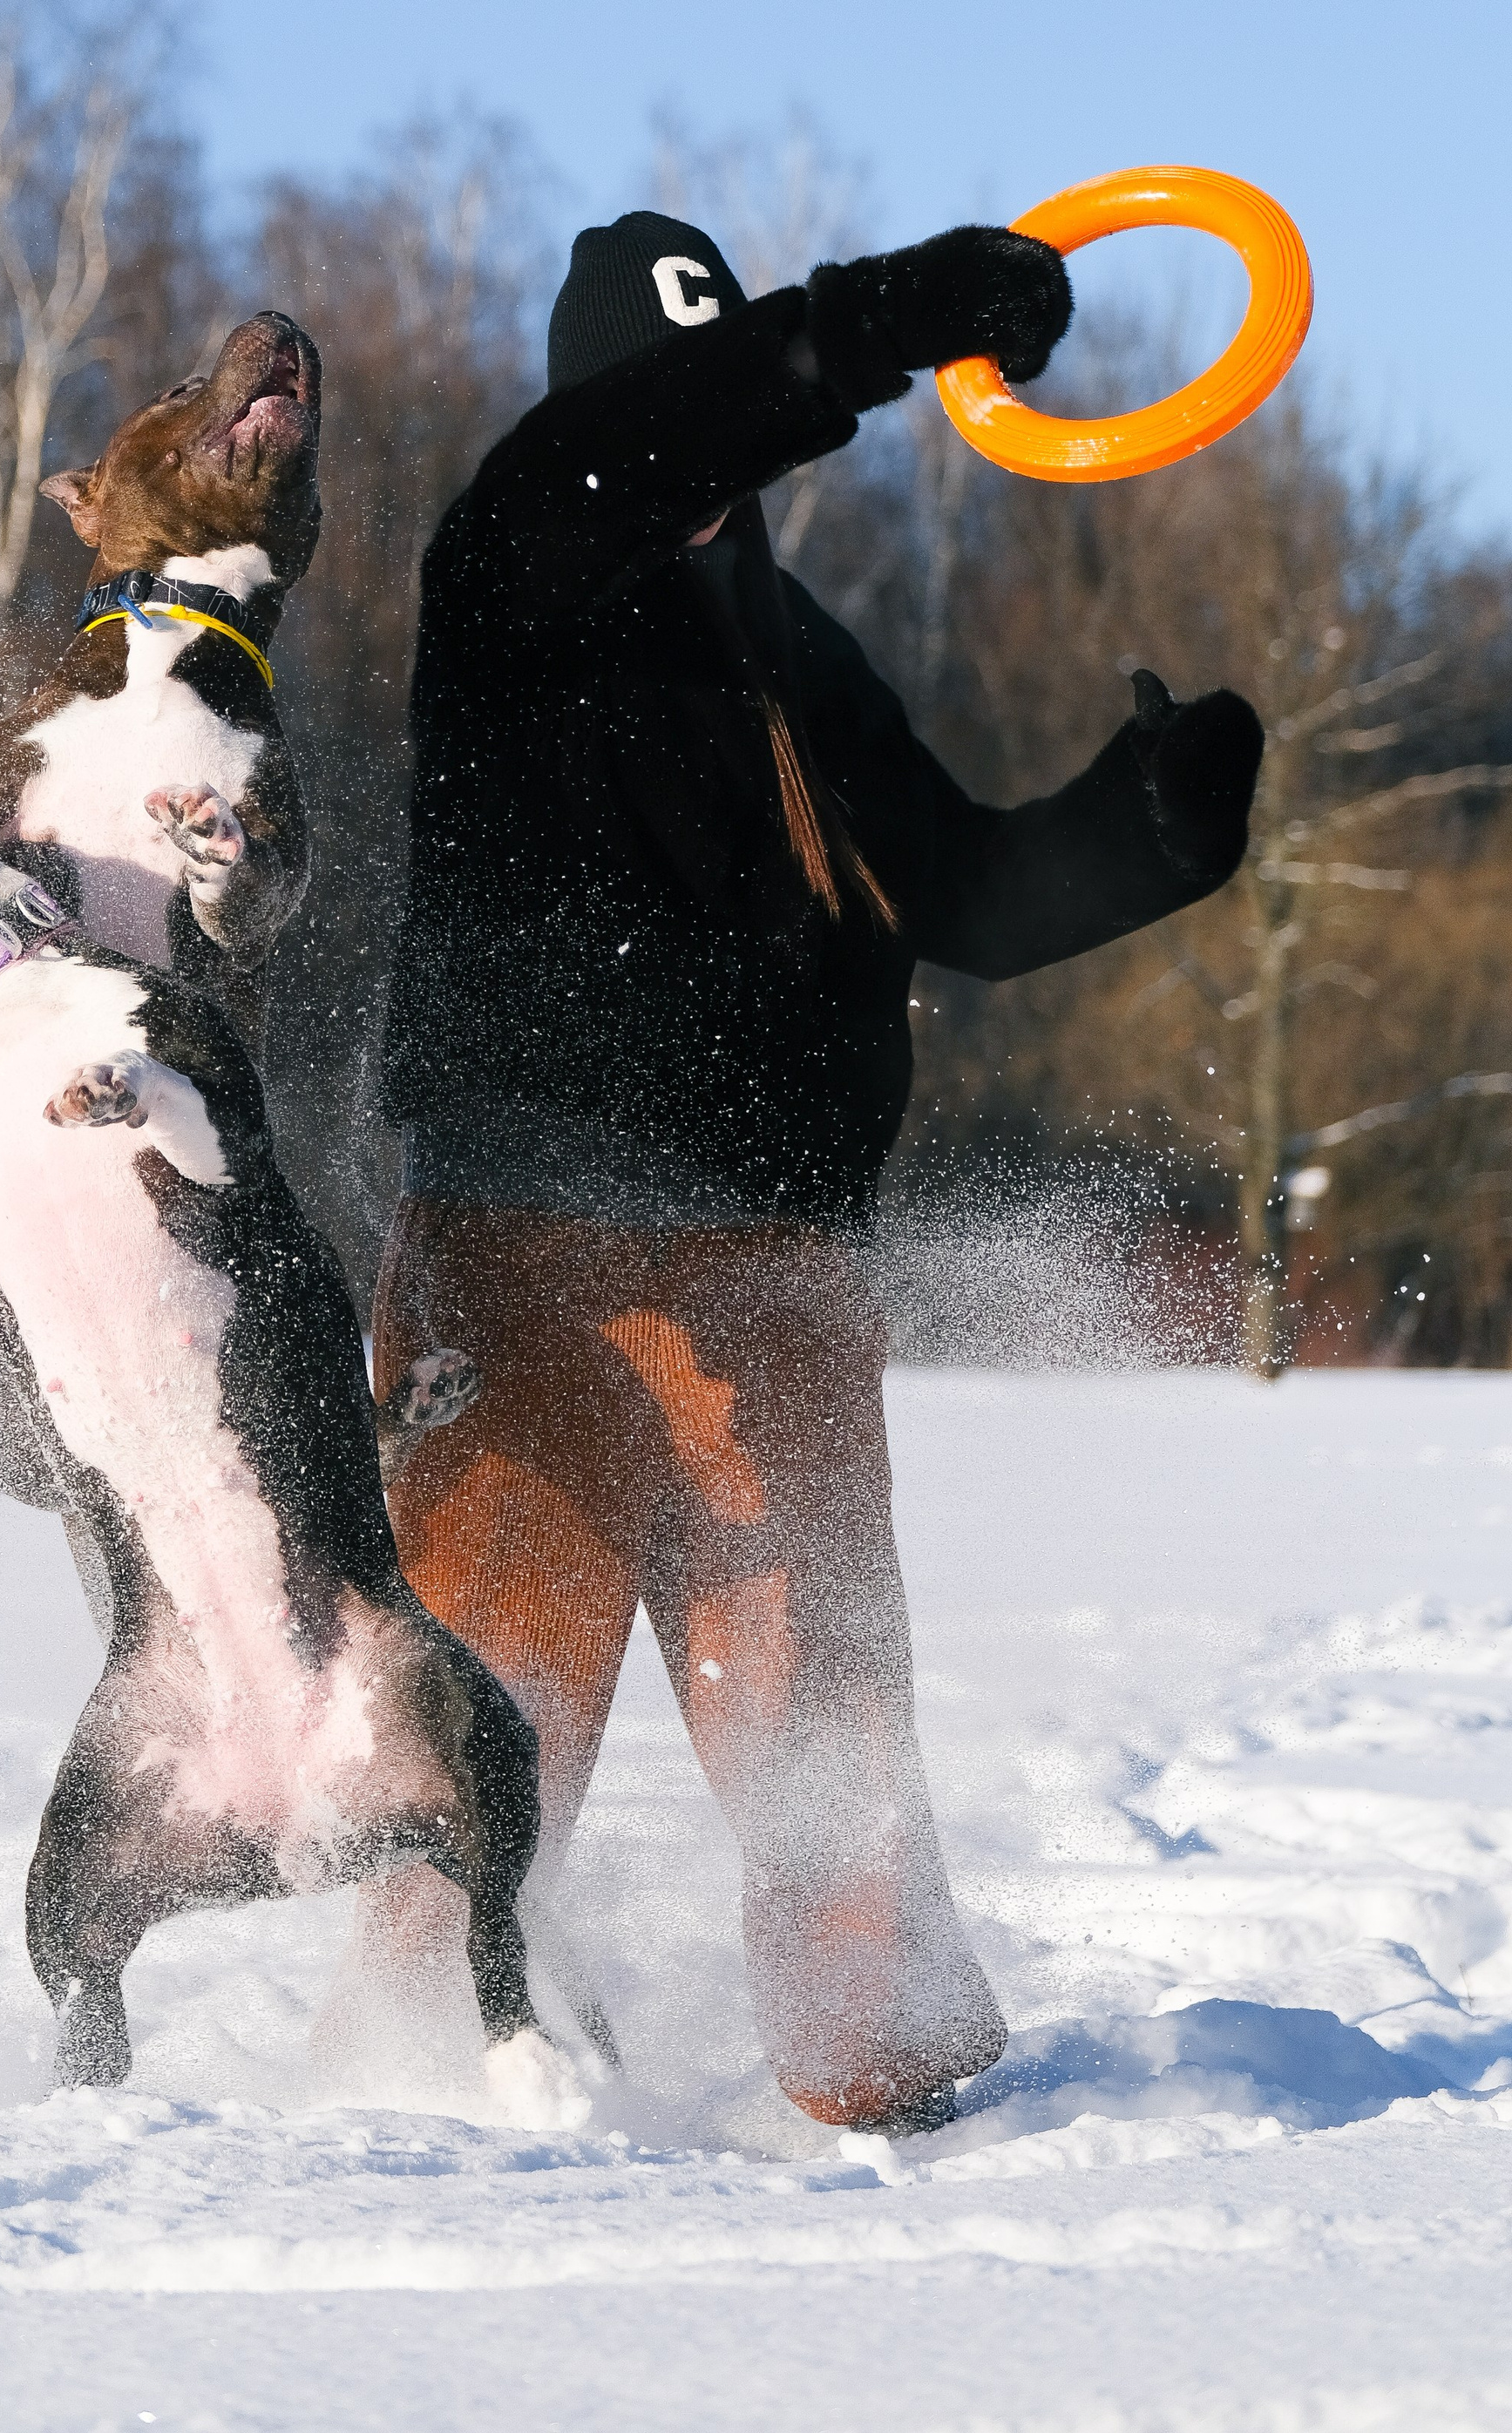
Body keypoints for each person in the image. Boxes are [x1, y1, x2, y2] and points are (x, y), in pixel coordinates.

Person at [363, 209, 1264, 2133]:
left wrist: (1151, 827)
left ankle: (897, 2093)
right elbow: (685, 417)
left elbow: (963, 895)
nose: (709, 466)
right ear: (594, 410)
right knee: (477, 1732)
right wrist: (897, 312)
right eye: (663, 403)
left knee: (827, 1733)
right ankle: (406, 2100)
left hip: (770, 1271)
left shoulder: (796, 649)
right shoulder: (514, 549)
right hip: (510, 1265)